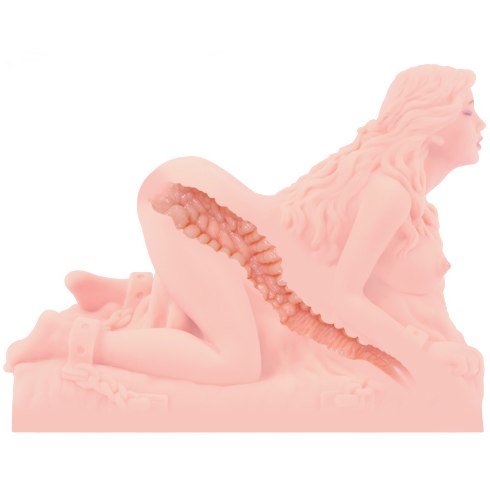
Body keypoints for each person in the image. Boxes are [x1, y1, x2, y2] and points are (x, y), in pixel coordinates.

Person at [5, 64, 485, 396]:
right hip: (191, 206)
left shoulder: (398, 189)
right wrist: (421, 362)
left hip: (209, 209)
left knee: (244, 301)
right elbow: (344, 297)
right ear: (432, 125)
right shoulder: (390, 194)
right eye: (466, 110)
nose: (480, 123)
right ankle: (66, 339)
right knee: (235, 363)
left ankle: (128, 297)